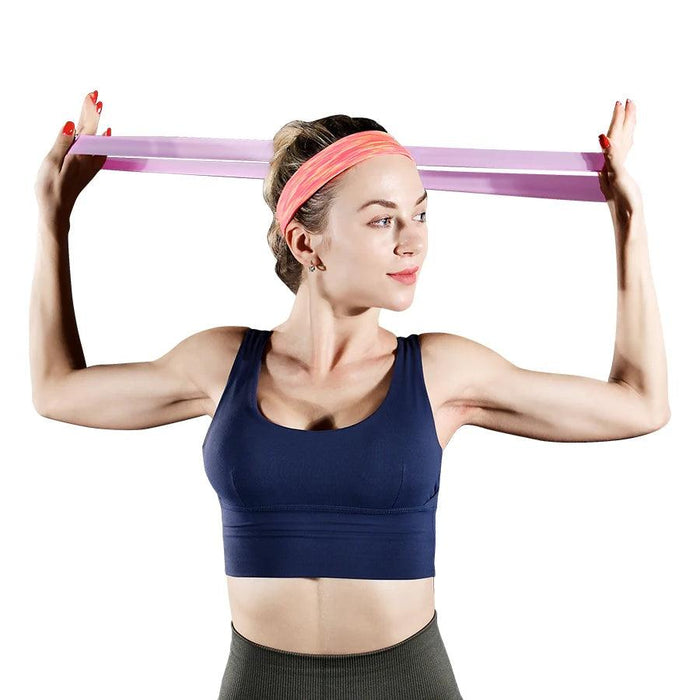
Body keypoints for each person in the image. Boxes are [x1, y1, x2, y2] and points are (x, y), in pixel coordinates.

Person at [31, 91, 670, 699]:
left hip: (408, 684)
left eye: (420, 213)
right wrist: (53, 219)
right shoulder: (222, 363)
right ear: (308, 243)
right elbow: (58, 391)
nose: (413, 239)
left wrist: (629, 222)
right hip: (260, 685)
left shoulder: (441, 371)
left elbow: (640, 403)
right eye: (382, 219)